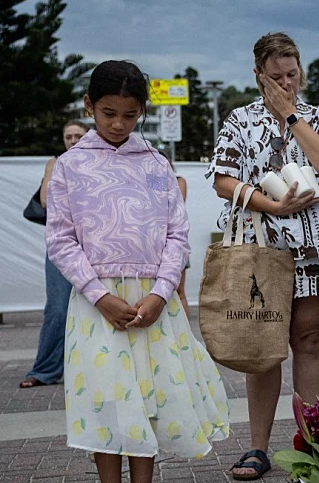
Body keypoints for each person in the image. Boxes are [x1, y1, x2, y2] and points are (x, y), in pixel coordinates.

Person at [46, 61, 229, 483]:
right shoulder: (70, 167)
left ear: (143, 111)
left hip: (153, 305)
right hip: (97, 306)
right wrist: (100, 295)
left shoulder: (156, 165)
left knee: (147, 399)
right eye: (108, 113)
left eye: (130, 115)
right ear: (89, 105)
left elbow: (176, 235)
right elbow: (60, 239)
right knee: (106, 399)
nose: (118, 123)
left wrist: (162, 293)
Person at [208, 33, 319, 480]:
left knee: (310, 344)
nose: (285, 82)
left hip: (317, 247)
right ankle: (257, 448)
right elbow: (222, 180)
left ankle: (315, 446)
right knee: (264, 347)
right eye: (276, 77)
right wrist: (272, 206)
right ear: (258, 75)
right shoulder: (239, 120)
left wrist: (290, 115)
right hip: (261, 248)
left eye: (292, 74)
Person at [20, 121, 88, 389]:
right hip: (63, 244)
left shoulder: (100, 160)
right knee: (58, 308)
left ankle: (97, 368)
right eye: (68, 136)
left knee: (102, 306)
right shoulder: (56, 163)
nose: (73, 140)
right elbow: (47, 200)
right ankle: (45, 370)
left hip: (97, 243)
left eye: (78, 136)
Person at [158, 150, 191, 318]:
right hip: (155, 244)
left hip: (174, 243)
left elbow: (176, 204)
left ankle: (186, 332)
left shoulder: (178, 181)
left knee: (179, 291)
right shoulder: (148, 181)